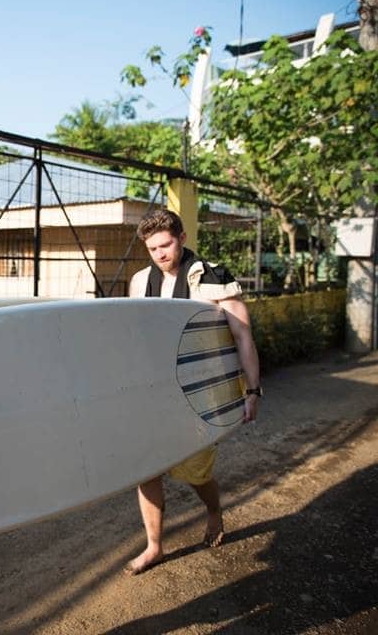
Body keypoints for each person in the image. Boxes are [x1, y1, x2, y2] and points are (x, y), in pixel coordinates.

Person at [124, 208, 261, 576]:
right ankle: (154, 546)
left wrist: (252, 390)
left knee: (196, 473)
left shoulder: (213, 278)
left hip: (203, 390)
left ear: (182, 238)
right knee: (147, 468)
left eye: (165, 244)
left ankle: (214, 510)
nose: (160, 254)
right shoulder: (140, 282)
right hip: (155, 391)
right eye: (152, 248)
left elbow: (242, 334)